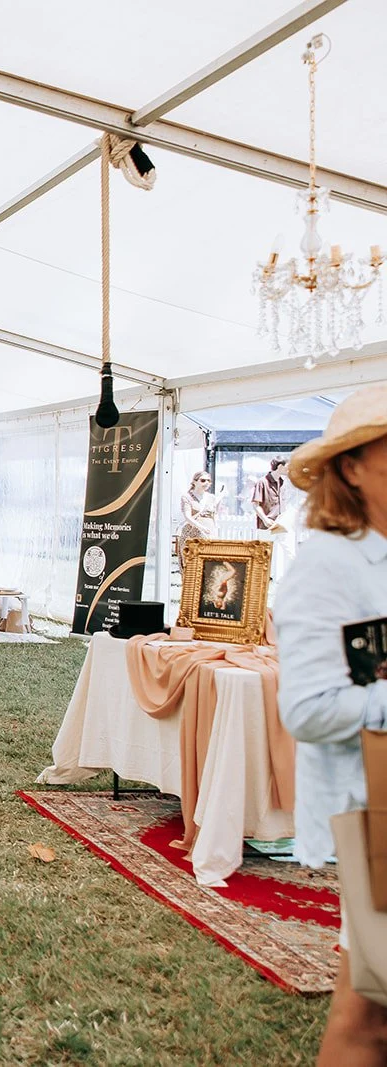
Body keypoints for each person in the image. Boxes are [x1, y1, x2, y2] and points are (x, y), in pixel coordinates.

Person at [276, 383, 387, 1061]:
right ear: (352, 465)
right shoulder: (327, 563)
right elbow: (309, 708)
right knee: (368, 1011)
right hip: (376, 814)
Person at [253, 457, 289, 531]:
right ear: (280, 467)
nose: (289, 469)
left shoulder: (282, 482)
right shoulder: (262, 482)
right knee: (266, 543)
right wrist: (265, 519)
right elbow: (255, 505)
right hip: (267, 525)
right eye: (287, 467)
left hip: (280, 525)